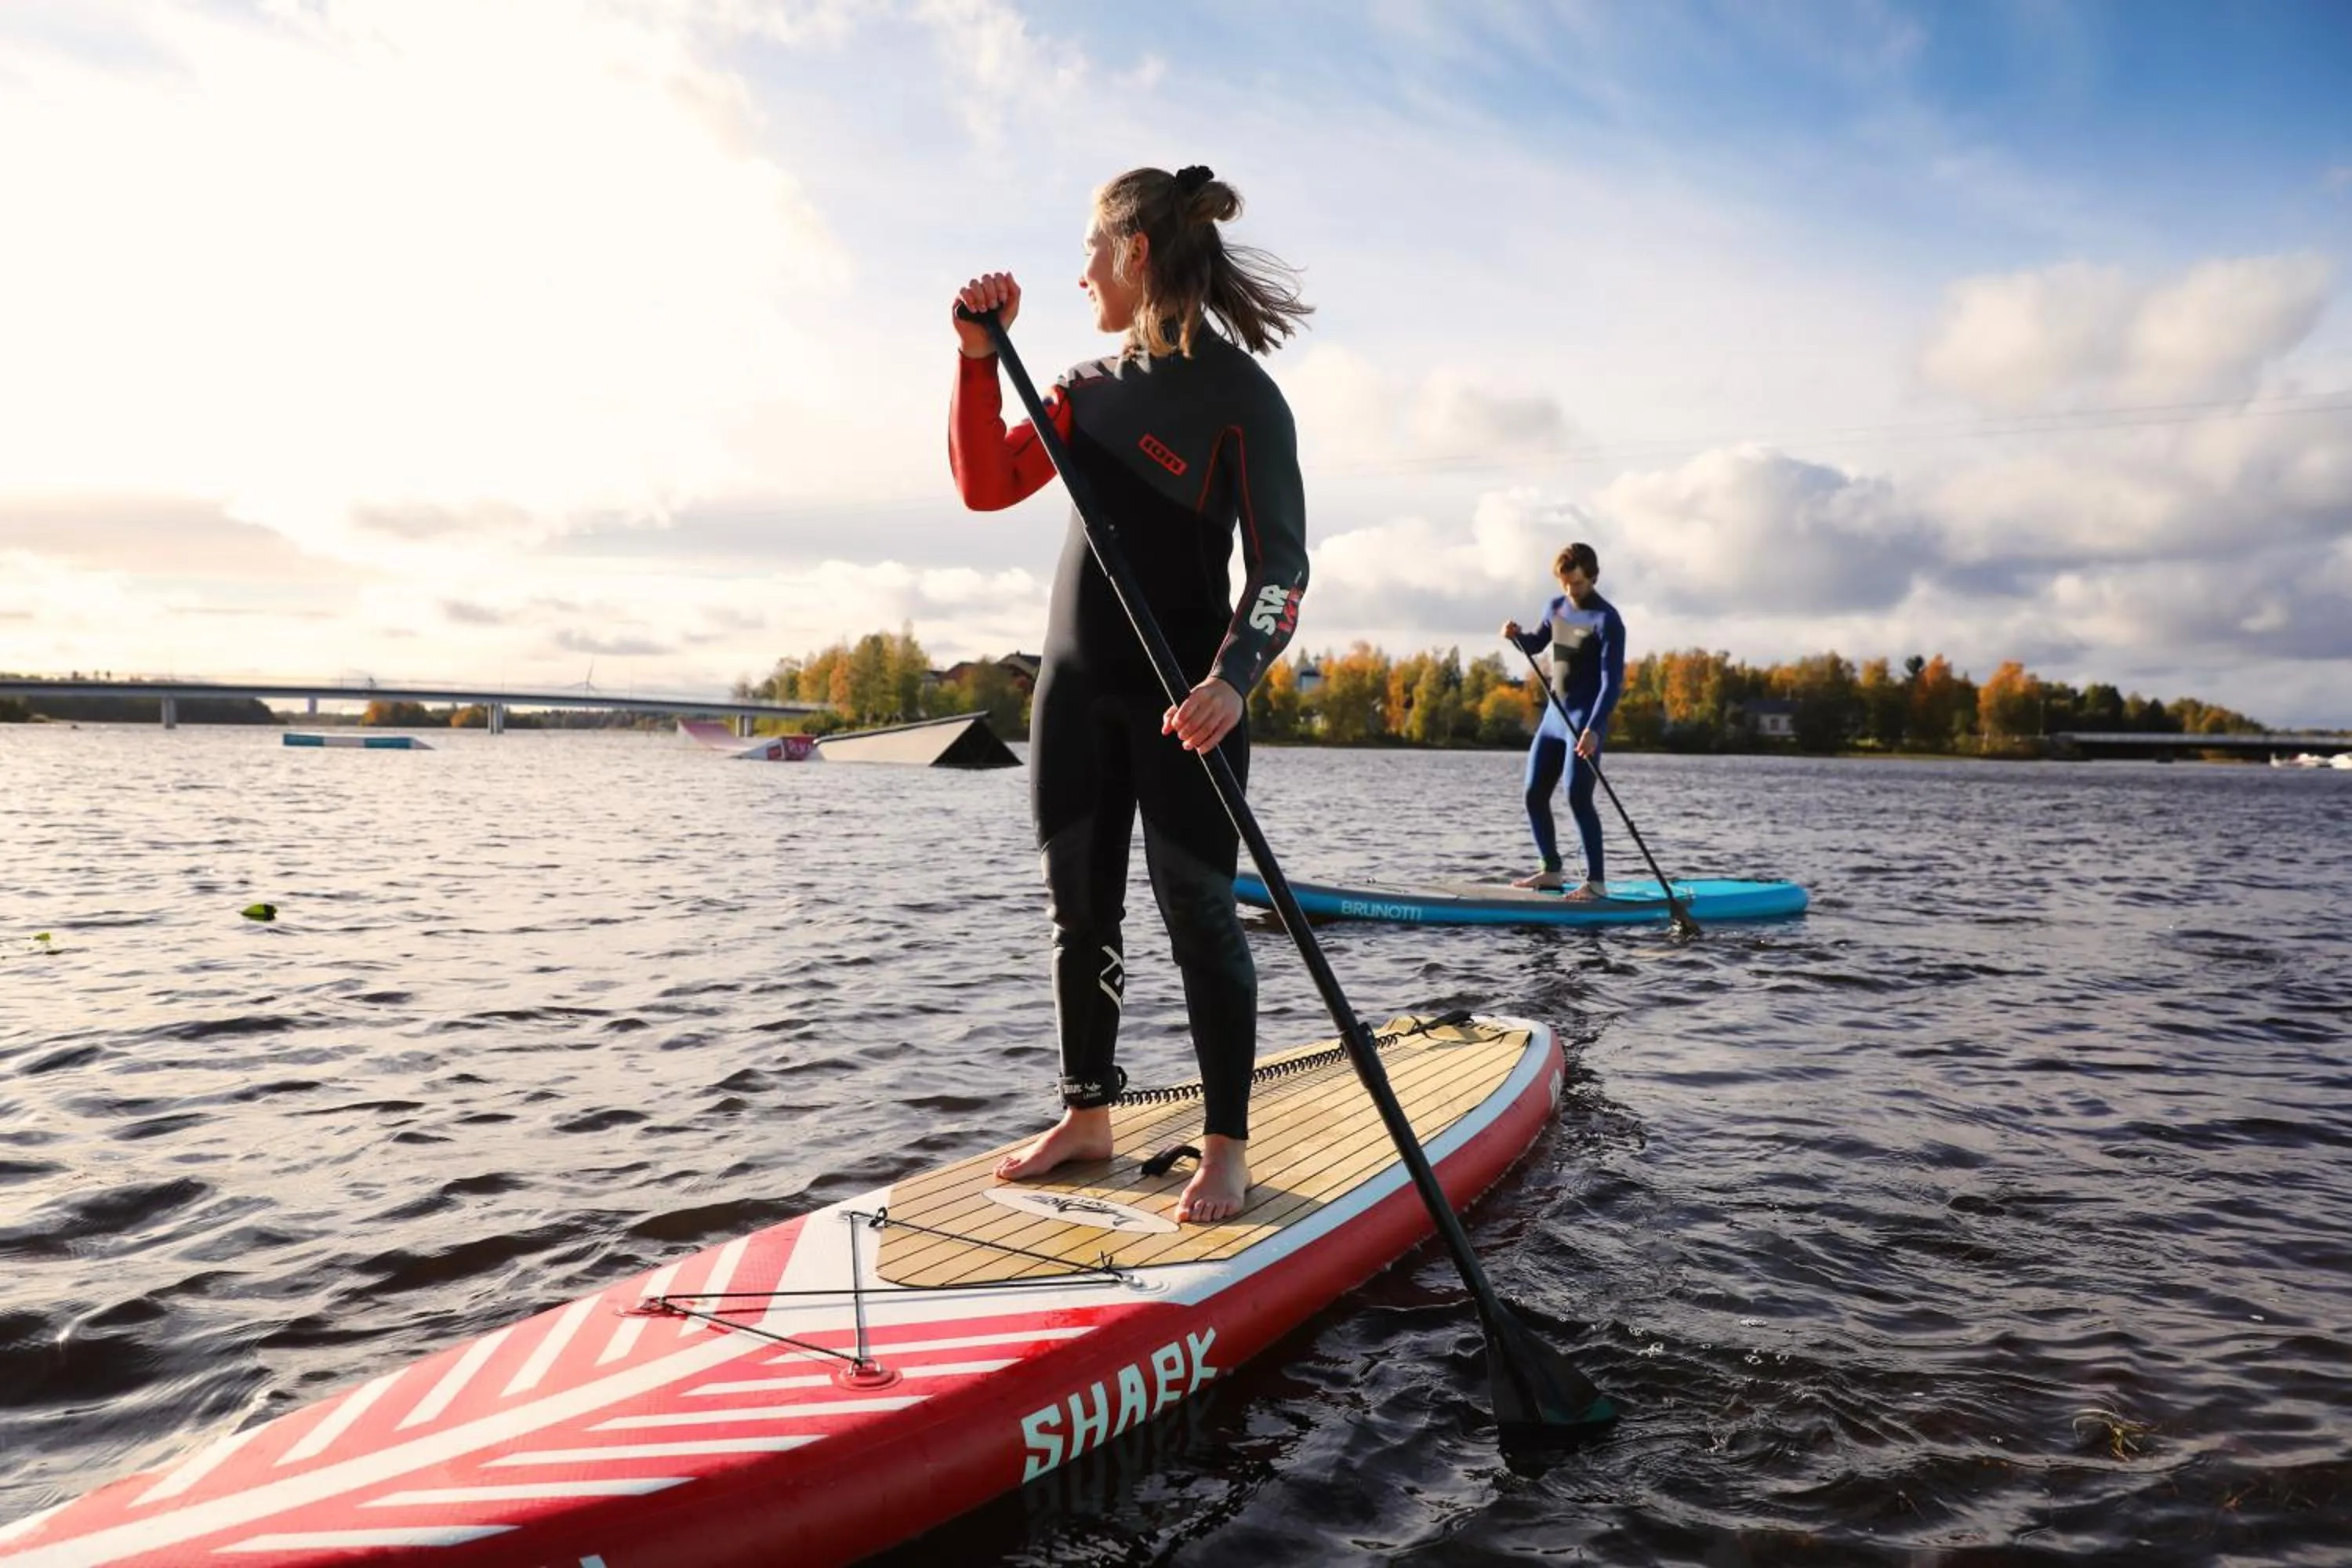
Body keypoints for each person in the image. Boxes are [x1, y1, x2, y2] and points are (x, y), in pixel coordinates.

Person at [949, 165, 1311, 1224]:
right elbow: (983, 485)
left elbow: (1282, 571)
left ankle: (1228, 1146)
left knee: (1199, 915)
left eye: (1091, 253)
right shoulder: (1083, 388)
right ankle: (1088, 1115)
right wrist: (977, 364)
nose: (1080, 276)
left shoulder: (1242, 400)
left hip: (1182, 705)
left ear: (1134, 250)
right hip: (1071, 695)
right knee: (1080, 913)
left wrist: (1233, 681)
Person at [1501, 542, 1624, 898]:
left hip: (1584, 721)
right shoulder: (1555, 607)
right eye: (1566, 585)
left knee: (1577, 796)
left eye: (1579, 585)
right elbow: (1536, 644)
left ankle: (1596, 884)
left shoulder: (1608, 621)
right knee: (1533, 794)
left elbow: (1611, 684)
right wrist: (1515, 637)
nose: (1572, 592)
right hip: (1554, 717)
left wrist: (1594, 729)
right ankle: (1551, 871)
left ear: (1594, 578)